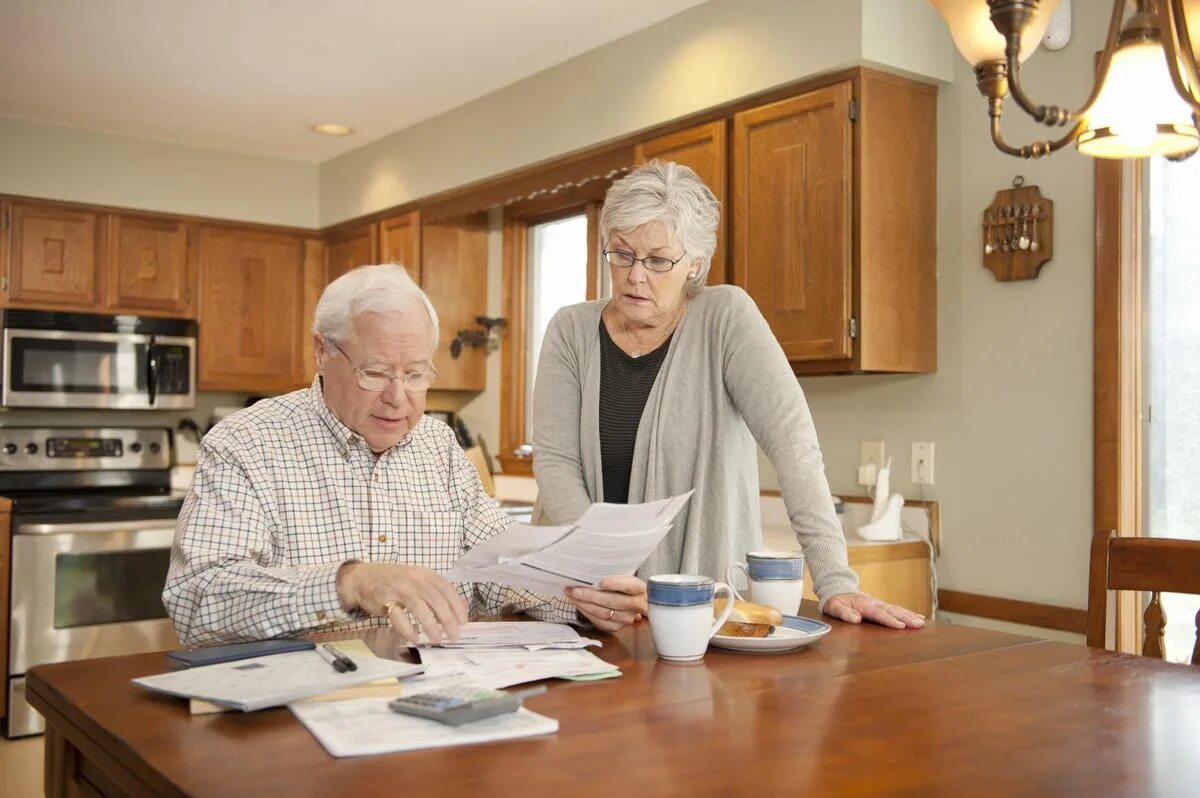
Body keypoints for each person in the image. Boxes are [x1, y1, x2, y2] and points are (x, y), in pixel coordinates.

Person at [532, 161, 925, 630]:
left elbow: (792, 444)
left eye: (659, 260)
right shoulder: (570, 330)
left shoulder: (727, 318)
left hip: (696, 607)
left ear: (694, 264)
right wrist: (603, 576)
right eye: (622, 254)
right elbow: (556, 463)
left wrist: (835, 579)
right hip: (581, 600)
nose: (636, 276)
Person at [164, 264, 644, 646]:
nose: (399, 397)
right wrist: (349, 584)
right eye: (375, 372)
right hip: (298, 722)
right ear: (321, 352)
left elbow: (499, 572)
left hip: (442, 710)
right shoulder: (245, 444)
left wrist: (585, 599)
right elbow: (197, 600)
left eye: (415, 374)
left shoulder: (438, 447)